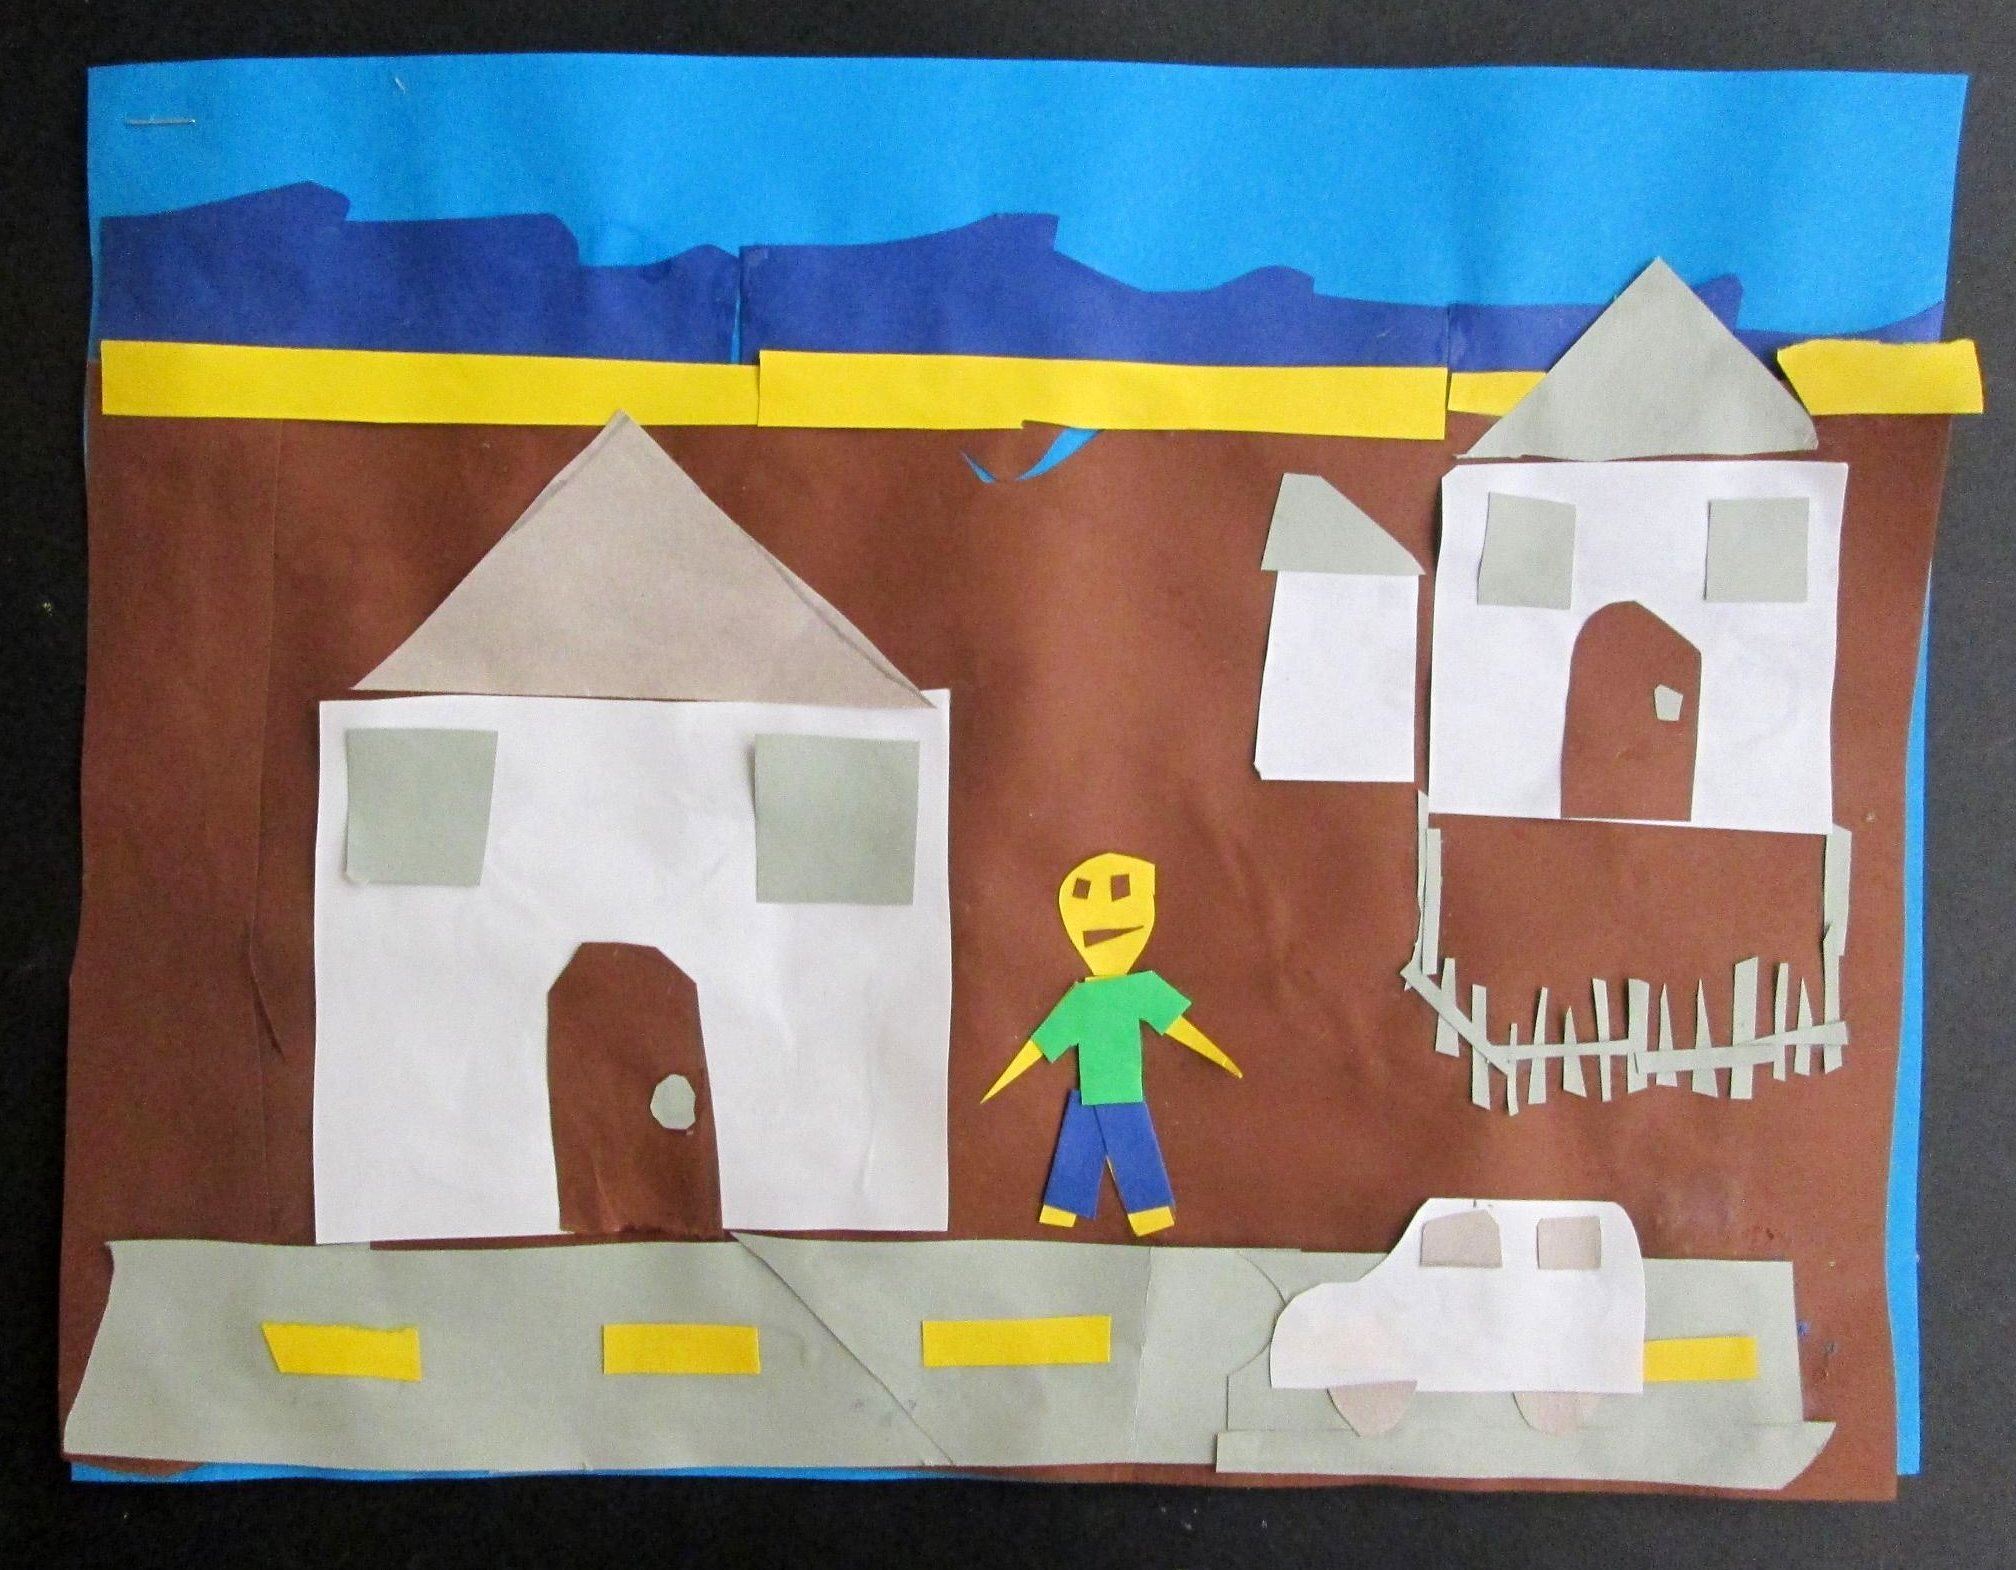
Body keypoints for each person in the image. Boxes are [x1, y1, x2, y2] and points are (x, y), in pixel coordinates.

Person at [982, 852, 1240, 1236]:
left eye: (1122, 892)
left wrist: (1219, 1056)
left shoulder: (1138, 989)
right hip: (1116, 1096)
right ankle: (1140, 1215)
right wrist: (1004, 1078)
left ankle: (1071, 1212)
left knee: (1089, 1142)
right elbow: (1041, 1045)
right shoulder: (1084, 999)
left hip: (1111, 1092)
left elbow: (1179, 1028)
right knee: (1127, 1145)